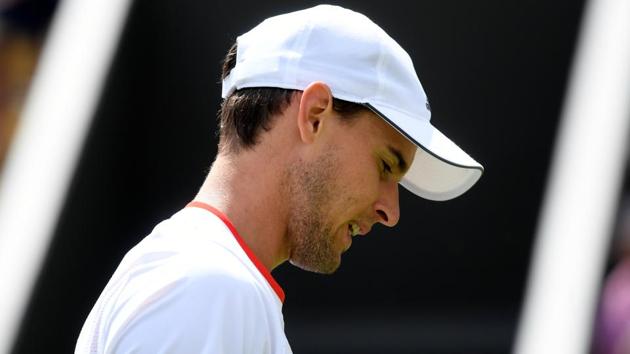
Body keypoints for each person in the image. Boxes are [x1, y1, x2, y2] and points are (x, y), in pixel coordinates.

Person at [75, 4, 483, 353]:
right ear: (315, 115)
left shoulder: (207, 281)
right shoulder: (209, 288)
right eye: (385, 165)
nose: (390, 211)